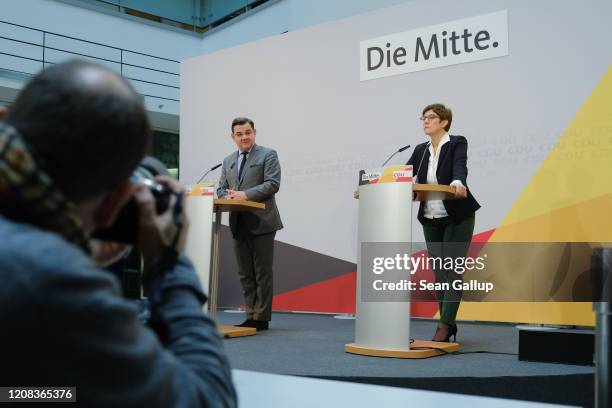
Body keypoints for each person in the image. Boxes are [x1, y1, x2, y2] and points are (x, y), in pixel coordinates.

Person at [0, 60, 236, 407]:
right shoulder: (49, 275)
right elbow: (207, 399)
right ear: (114, 203)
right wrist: (168, 263)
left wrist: (77, 248)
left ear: (3, 119)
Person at [406, 103, 480, 342]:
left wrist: (459, 181)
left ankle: (444, 325)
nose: (425, 121)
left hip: (457, 216)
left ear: (444, 122)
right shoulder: (420, 149)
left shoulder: (457, 142)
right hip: (430, 217)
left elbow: (460, 167)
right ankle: (448, 322)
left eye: (431, 118)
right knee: (439, 273)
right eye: (424, 118)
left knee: (452, 271)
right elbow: (405, 174)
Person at [217, 117, 282, 331]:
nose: (244, 137)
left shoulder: (268, 154)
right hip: (237, 221)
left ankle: (261, 317)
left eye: (248, 132)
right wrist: (226, 195)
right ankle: (250, 314)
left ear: (254, 132)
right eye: (239, 134)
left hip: (262, 221)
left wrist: (245, 194)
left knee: (262, 271)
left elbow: (272, 184)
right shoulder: (227, 161)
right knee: (245, 273)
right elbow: (221, 189)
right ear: (232, 136)